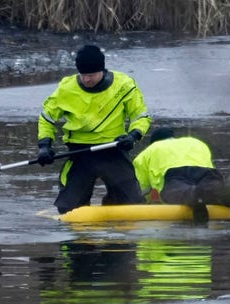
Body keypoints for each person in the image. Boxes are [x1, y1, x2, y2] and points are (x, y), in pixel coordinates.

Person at [36, 44, 152, 214]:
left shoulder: (124, 85)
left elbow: (141, 116)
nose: (86, 80)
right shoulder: (66, 88)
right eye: (83, 75)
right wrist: (44, 146)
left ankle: (114, 206)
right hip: (80, 153)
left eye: (91, 75)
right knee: (67, 208)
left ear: (102, 71)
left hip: (113, 150)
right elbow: (46, 118)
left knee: (133, 206)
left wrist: (133, 136)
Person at [132, 127, 230, 223]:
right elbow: (210, 167)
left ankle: (195, 196)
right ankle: (228, 189)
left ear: (153, 142)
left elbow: (140, 190)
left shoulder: (150, 151)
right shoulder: (196, 142)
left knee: (182, 191)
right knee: (212, 188)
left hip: (175, 175)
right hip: (206, 172)